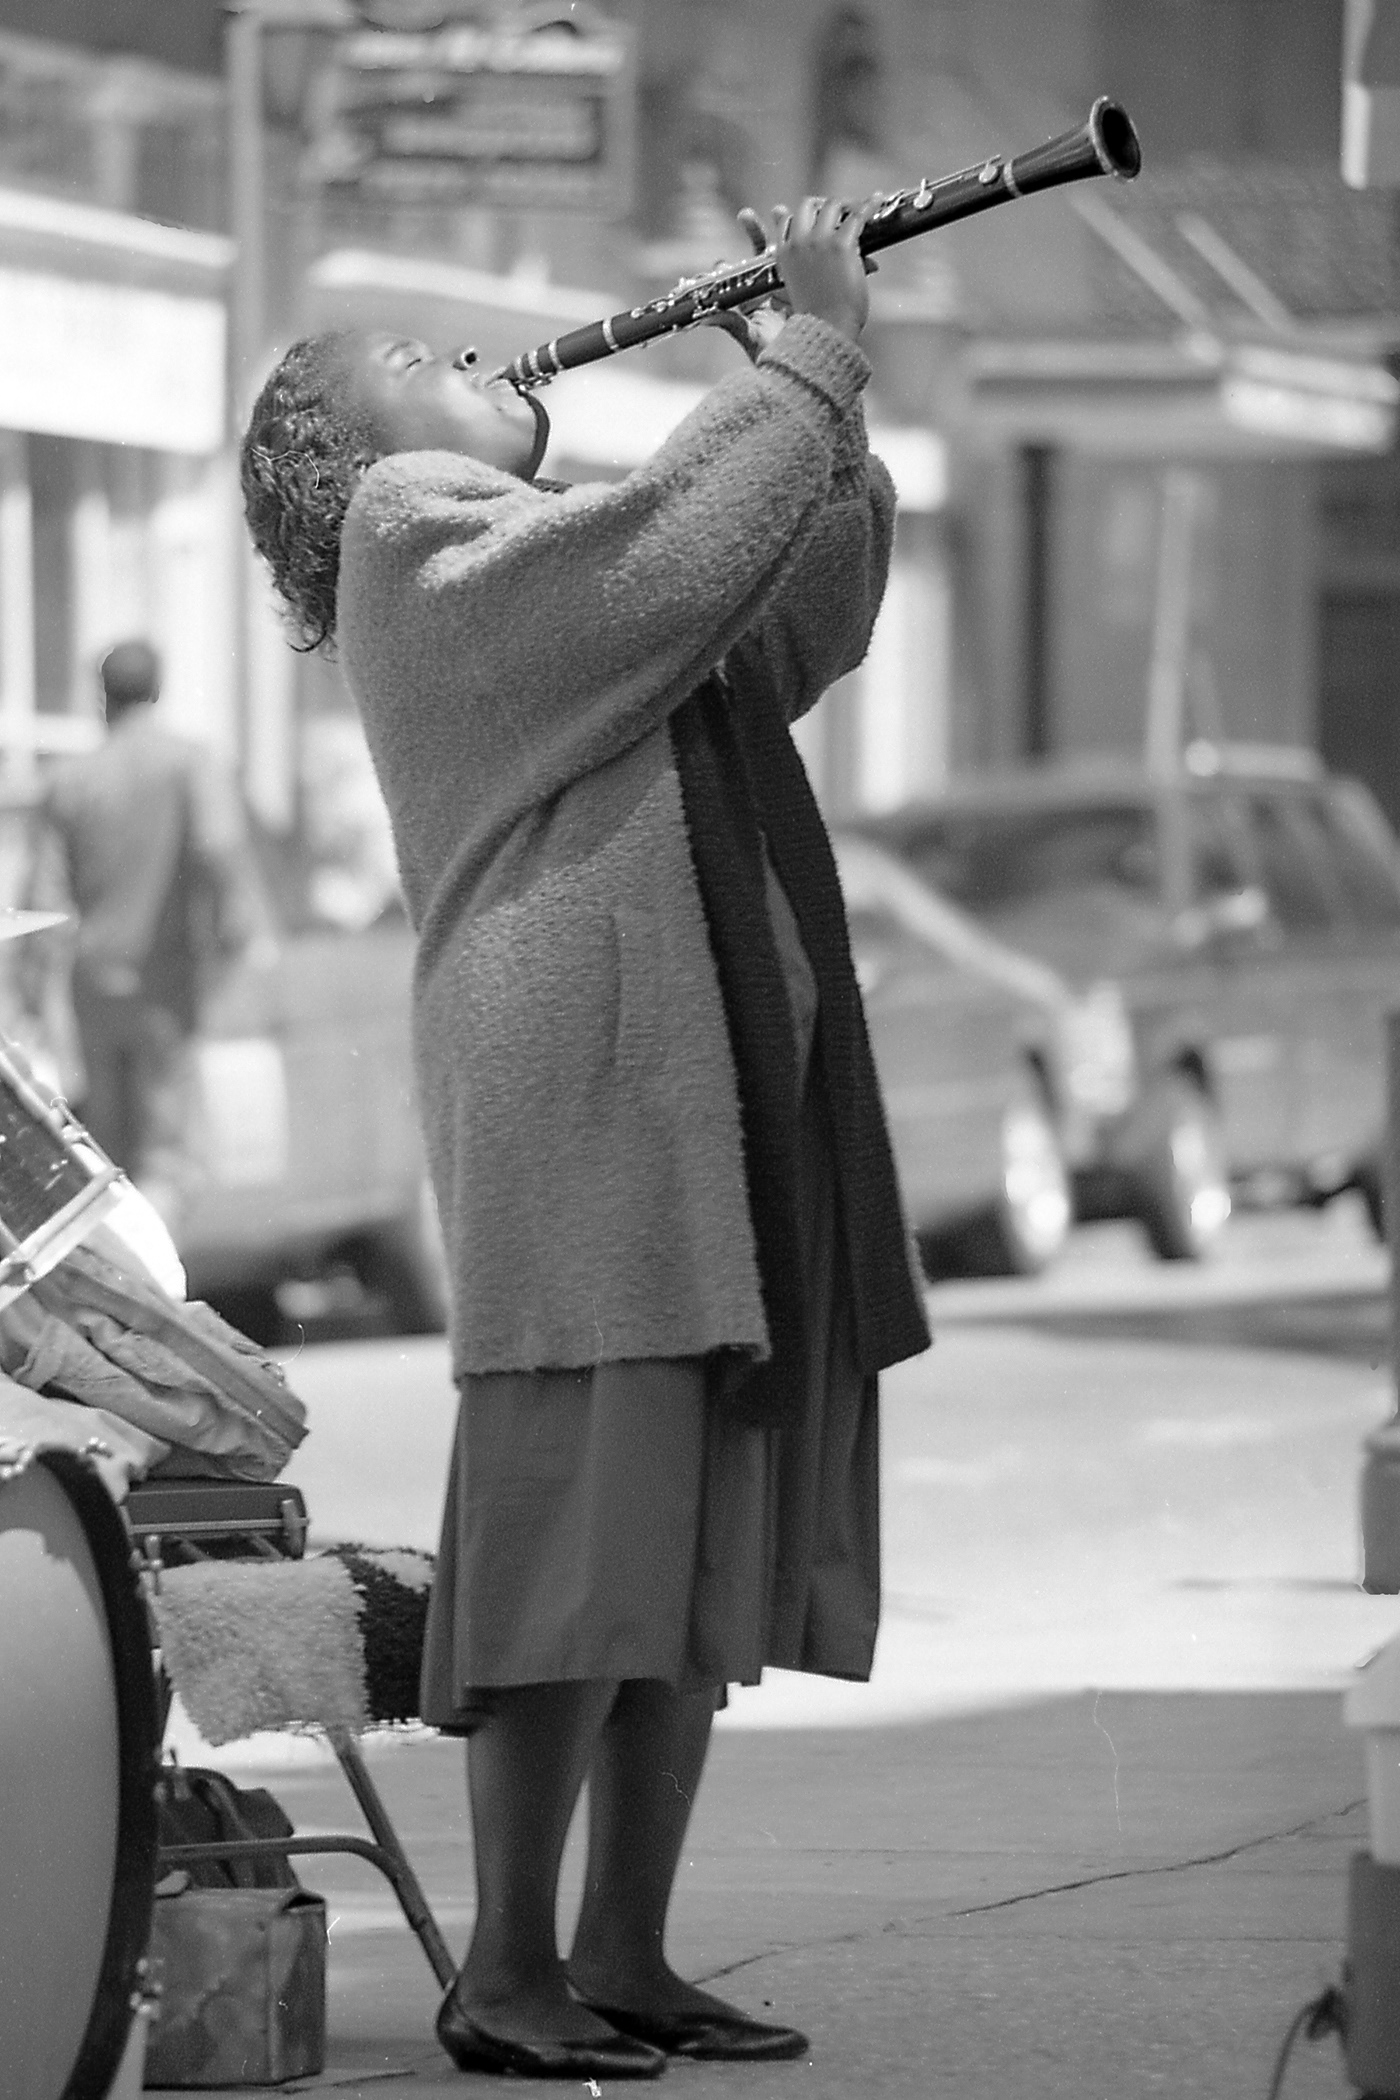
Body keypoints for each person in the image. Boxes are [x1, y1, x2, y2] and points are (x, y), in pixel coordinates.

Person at [239, 194, 931, 2082]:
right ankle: (507, 1968)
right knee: (569, 1560)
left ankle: (623, 1956)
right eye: (426, 365)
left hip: (698, 1107)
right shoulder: (416, 542)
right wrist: (805, 355)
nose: (485, 364)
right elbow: (670, 548)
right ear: (350, 451)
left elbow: (788, 621)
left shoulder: (568, 572)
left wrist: (822, 399)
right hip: (594, 1113)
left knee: (680, 1567)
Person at [24, 639, 267, 1223]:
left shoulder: (69, 780)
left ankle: (126, 1291)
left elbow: (43, 903)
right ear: (158, 689)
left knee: (106, 1151)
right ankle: (164, 1294)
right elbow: (218, 845)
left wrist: (34, 996)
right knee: (164, 1152)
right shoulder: (188, 762)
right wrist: (240, 932)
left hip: (93, 988)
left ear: (101, 696)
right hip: (164, 980)